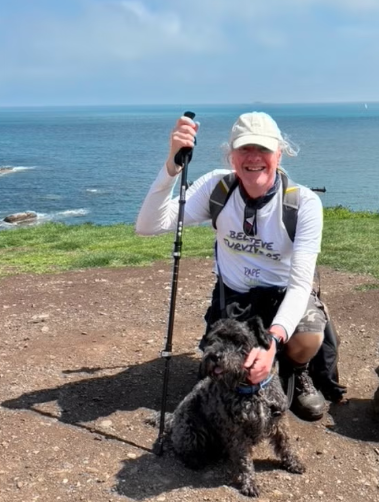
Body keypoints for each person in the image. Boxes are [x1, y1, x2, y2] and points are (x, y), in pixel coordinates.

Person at [136, 111, 329, 421]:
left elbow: (299, 285)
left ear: (279, 154)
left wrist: (272, 343)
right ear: (231, 156)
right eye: (244, 149)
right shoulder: (216, 188)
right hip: (234, 299)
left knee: (307, 338)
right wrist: (172, 167)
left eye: (263, 149)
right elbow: (148, 225)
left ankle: (297, 369)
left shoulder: (303, 204)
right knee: (224, 377)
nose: (254, 158)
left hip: (283, 295)